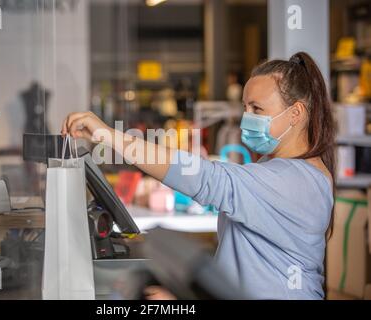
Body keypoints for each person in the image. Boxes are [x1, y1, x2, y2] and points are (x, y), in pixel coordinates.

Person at [61, 52, 336, 300]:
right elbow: (248, 263)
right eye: (245, 107)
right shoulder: (278, 168)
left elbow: (204, 177)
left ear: (295, 114)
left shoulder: (297, 182)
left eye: (257, 109)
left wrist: (108, 135)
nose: (246, 118)